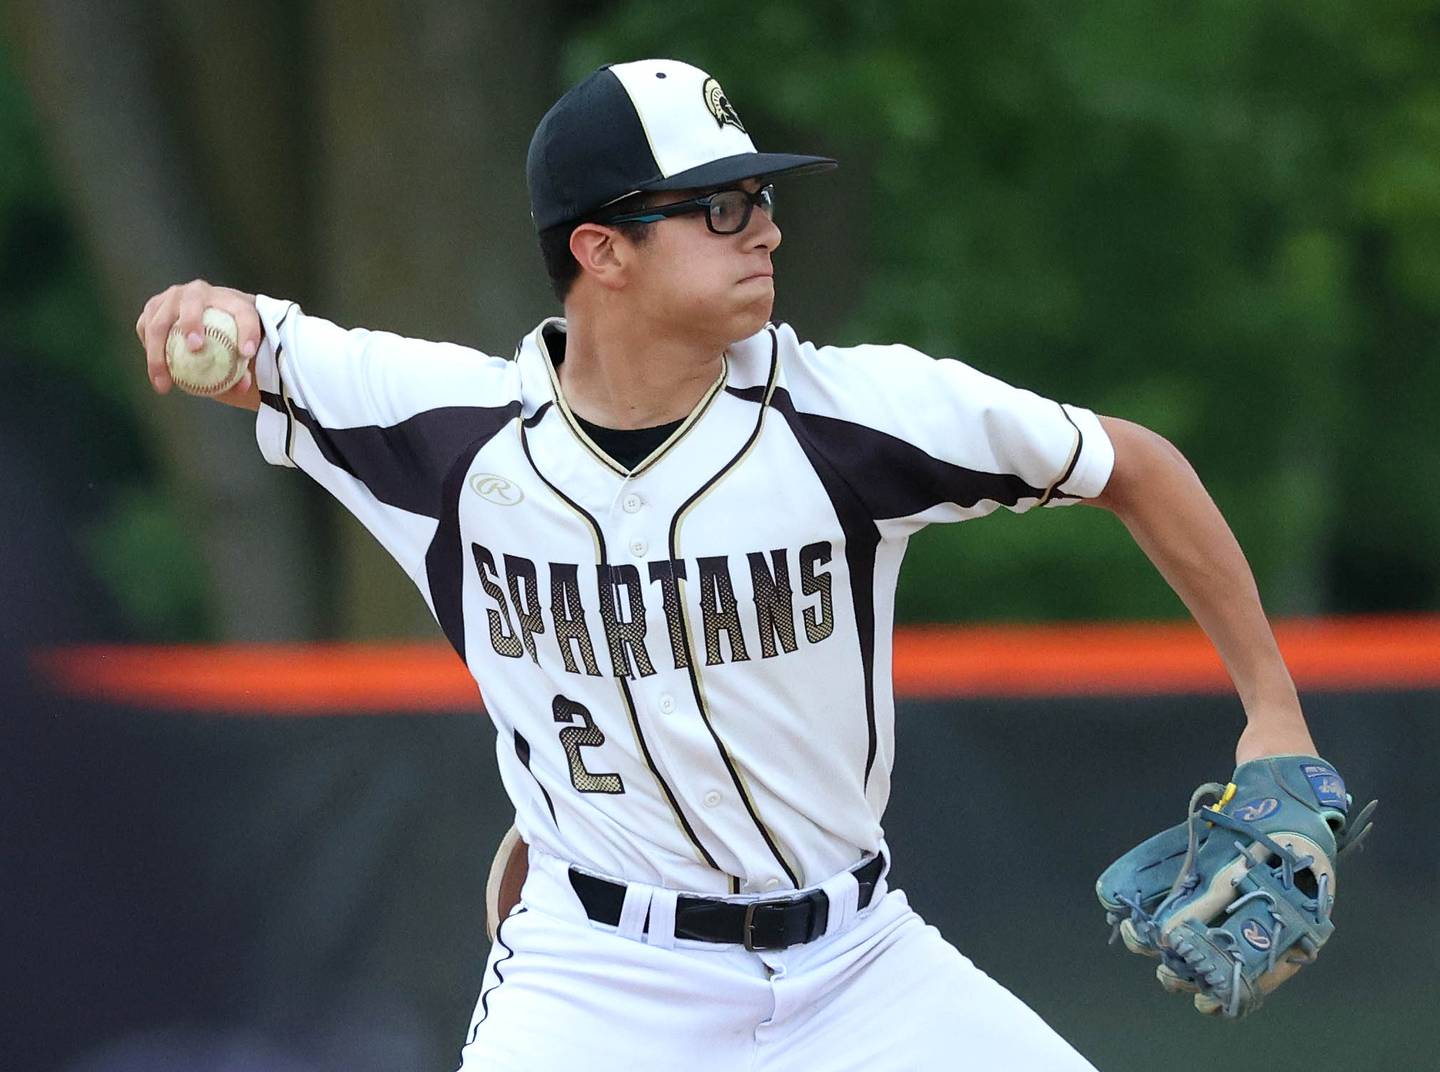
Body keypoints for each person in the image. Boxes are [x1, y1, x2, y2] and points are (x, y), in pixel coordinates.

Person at [137, 59, 1324, 1071]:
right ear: (601, 248)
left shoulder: (853, 417)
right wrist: (205, 312)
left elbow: (1131, 463)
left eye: (759, 195)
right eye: (716, 205)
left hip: (860, 968)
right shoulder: (455, 435)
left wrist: (1275, 712)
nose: (764, 224)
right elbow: (259, 346)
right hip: (598, 983)